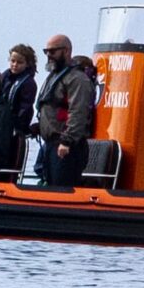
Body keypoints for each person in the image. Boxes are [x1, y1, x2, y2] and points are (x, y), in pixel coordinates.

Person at [34, 34, 97, 186]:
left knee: (62, 187)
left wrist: (67, 141)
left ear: (66, 51)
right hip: (50, 144)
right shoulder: (54, 76)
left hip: (66, 146)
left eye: (53, 51)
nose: (49, 55)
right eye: (46, 51)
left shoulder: (77, 79)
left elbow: (78, 112)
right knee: (49, 185)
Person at [0, 44, 38, 178]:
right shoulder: (4, 77)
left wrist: (17, 126)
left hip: (15, 126)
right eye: (12, 61)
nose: (15, 65)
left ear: (27, 64)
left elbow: (25, 107)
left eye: (19, 62)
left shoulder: (28, 83)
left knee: (8, 160)